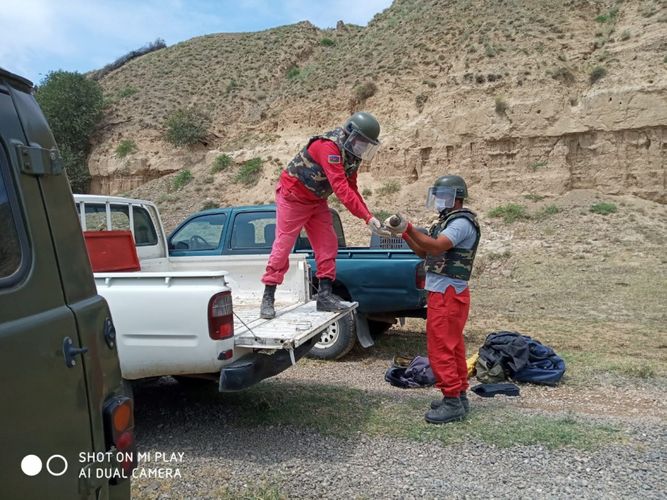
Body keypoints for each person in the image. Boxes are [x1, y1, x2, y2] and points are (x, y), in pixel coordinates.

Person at [260, 112, 390, 319]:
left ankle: (324, 296)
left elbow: (352, 187)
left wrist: (369, 216)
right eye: (361, 141)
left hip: (316, 200)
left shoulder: (352, 155)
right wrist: (366, 217)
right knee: (283, 245)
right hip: (293, 195)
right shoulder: (328, 146)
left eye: (366, 144)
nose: (362, 147)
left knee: (328, 244)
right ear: (350, 133)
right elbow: (340, 187)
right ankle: (268, 297)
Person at [384, 175, 481, 424]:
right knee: (453, 347)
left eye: (442, 196)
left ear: (455, 196)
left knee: (440, 349)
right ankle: (458, 395)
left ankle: (451, 400)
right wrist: (404, 233)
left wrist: (408, 228)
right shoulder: (447, 221)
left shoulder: (460, 223)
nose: (438, 201)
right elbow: (423, 250)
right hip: (445, 293)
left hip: (448, 294)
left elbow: (436, 247)